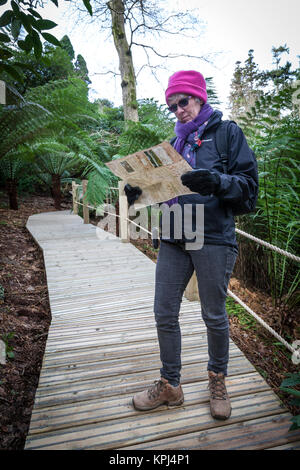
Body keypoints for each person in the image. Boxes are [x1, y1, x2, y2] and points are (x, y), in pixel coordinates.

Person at [124, 70, 258, 420]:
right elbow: (165, 192)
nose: (178, 110)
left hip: (212, 236)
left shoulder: (227, 134)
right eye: (172, 106)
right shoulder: (174, 145)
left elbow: (248, 190)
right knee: (164, 312)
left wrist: (217, 181)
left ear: (199, 97)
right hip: (173, 237)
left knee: (213, 314)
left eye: (183, 102)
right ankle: (170, 385)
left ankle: (217, 379)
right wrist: (138, 192)